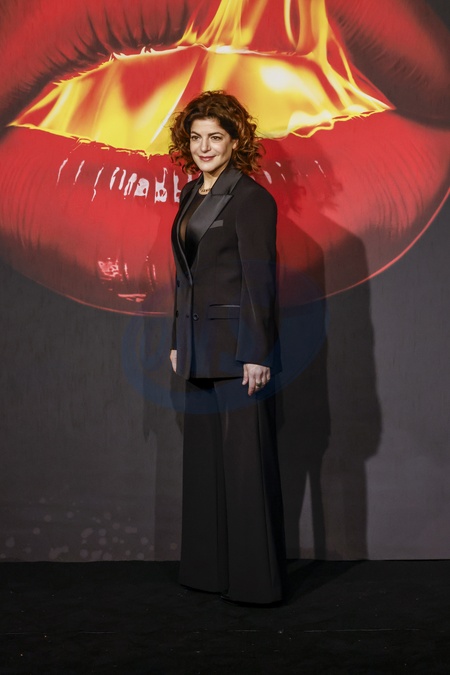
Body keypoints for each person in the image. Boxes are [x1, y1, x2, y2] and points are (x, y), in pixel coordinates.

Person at [168, 90, 287, 605]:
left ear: (235, 142)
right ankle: (207, 573)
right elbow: (184, 278)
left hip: (239, 353)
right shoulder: (190, 194)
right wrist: (178, 340)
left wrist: (256, 352)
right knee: (204, 467)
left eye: (215, 137)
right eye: (196, 138)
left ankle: (255, 585)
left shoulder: (252, 199)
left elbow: (260, 280)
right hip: (196, 349)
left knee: (244, 470)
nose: (204, 147)